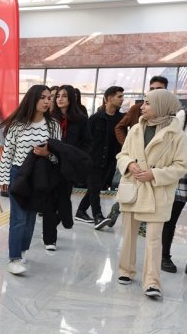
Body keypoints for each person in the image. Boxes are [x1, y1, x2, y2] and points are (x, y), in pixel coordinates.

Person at [115, 89, 187, 299]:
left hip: (157, 192)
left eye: (148, 103)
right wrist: (129, 164)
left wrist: (154, 174)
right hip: (133, 187)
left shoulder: (176, 135)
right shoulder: (136, 129)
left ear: (162, 106)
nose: (143, 106)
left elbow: (182, 166)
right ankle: (125, 270)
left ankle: (152, 282)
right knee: (129, 233)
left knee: (154, 239)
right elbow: (123, 154)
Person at [0, 85, 61, 275]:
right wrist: (3, 178)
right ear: (32, 99)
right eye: (42, 97)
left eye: (49, 98)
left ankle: (22, 250)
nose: (47, 101)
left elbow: (59, 155)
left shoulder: (53, 125)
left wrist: (47, 153)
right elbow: (7, 154)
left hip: (40, 176)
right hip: (19, 175)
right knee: (18, 218)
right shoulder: (18, 125)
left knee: (31, 217)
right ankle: (14, 257)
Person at [108, 76, 170, 231]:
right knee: (131, 192)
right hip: (135, 162)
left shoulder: (170, 113)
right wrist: (127, 146)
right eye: (152, 88)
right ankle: (117, 211)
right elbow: (119, 127)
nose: (155, 92)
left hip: (157, 166)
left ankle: (142, 223)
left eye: (159, 89)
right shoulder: (138, 109)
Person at [43, 84, 92, 250]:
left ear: (71, 98)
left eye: (64, 96)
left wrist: (76, 157)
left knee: (63, 200)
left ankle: (62, 219)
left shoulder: (81, 119)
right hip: (50, 163)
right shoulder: (49, 118)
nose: (60, 99)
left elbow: (87, 143)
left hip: (69, 167)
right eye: (58, 96)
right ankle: (50, 239)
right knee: (49, 202)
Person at [75, 86, 124, 230]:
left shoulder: (121, 120)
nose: (122, 99)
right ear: (109, 98)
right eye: (119, 96)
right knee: (95, 188)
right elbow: (84, 139)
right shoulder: (95, 119)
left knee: (95, 188)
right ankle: (98, 216)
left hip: (110, 162)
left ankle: (81, 211)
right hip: (93, 160)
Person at [160, 106, 187, 274]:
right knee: (171, 215)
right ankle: (164, 256)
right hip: (182, 164)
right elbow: (169, 140)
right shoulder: (184, 115)